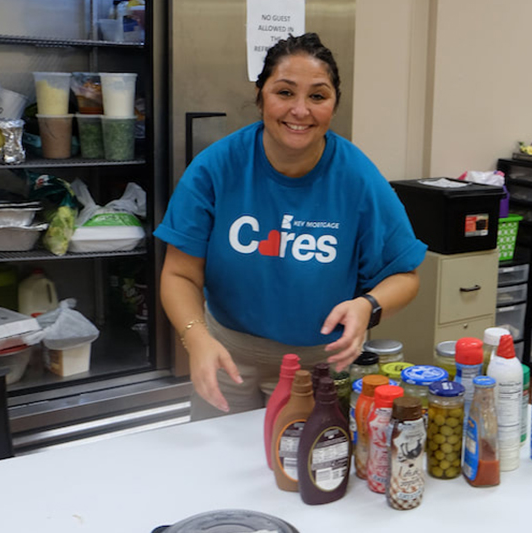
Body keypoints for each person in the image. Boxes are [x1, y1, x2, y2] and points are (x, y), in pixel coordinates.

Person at [154, 33, 427, 420]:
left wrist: (368, 307)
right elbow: (179, 273)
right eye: (285, 92)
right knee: (219, 472)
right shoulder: (216, 167)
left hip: (319, 367)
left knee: (308, 471)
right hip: (228, 360)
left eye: (317, 96)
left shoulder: (357, 177)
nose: (300, 110)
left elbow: (406, 276)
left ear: (333, 105)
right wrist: (195, 337)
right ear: (260, 95)